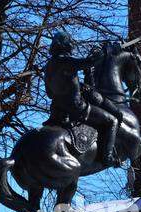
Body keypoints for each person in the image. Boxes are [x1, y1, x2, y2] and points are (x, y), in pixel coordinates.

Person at [43, 31, 123, 167]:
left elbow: (50, 93)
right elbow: (90, 62)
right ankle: (107, 157)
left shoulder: (49, 66)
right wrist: (107, 50)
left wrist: (77, 86)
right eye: (70, 43)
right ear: (65, 45)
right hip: (76, 108)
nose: (72, 46)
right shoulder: (65, 60)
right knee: (112, 121)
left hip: (58, 111)